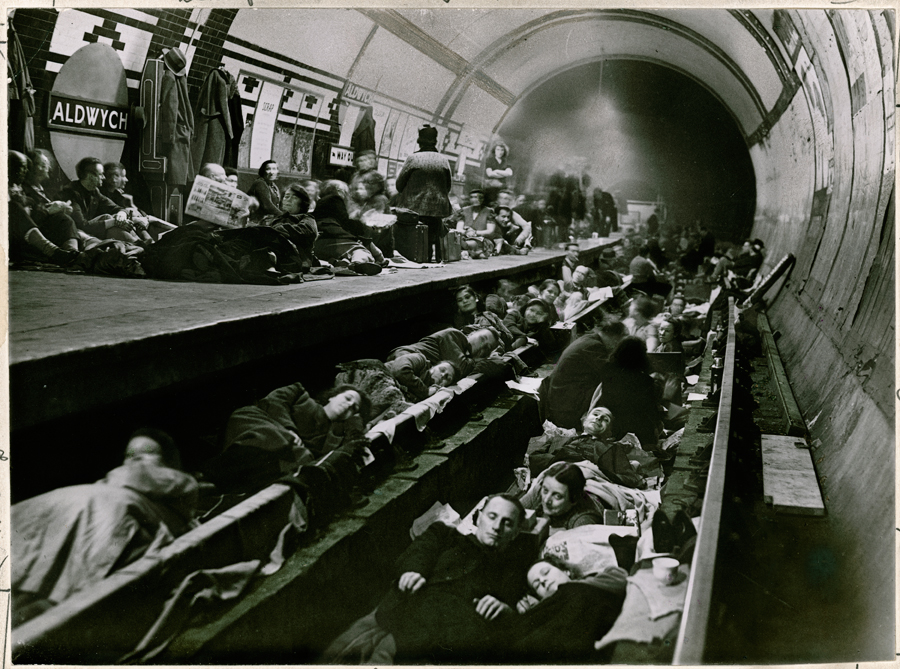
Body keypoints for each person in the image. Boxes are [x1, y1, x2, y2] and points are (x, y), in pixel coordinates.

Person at [12, 428, 199, 626]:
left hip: (97, 511)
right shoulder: (120, 482)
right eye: (130, 456)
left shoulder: (180, 482)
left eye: (148, 454)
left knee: (45, 584)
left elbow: (141, 477)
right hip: (86, 507)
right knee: (42, 578)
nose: (136, 462)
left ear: (171, 461)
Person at [372, 494, 533, 663]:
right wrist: (412, 572)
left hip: (453, 648)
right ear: (478, 518)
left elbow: (512, 611)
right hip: (407, 623)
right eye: (492, 517)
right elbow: (419, 552)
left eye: (507, 523)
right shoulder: (444, 535)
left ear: (515, 533)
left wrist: (505, 610)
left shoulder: (513, 571)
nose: (497, 527)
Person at [202, 381, 372, 494]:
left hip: (280, 452)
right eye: (347, 398)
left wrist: (356, 421)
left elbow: (350, 443)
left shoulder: (333, 436)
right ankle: (210, 475)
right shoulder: (299, 392)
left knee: (296, 460)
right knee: (285, 445)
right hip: (257, 422)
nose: (348, 405)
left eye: (354, 408)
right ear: (333, 395)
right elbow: (274, 401)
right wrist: (289, 430)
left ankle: (212, 481)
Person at [506, 558, 626, 662]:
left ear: (566, 571)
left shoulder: (599, 580)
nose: (542, 581)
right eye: (536, 585)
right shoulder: (543, 610)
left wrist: (573, 586)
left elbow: (621, 577)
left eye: (546, 572)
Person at [540, 318, 627, 430]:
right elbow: (610, 373)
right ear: (612, 336)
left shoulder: (590, 339)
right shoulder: (593, 346)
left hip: (565, 394)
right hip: (566, 402)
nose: (616, 344)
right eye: (617, 340)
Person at [8, 151, 81, 265]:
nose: (26, 171)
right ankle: (52, 251)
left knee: (63, 219)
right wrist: (46, 210)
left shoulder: (19, 189)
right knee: (13, 206)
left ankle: (72, 255)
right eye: (21, 167)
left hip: (30, 234)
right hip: (13, 239)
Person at [394, 124, 453, 263]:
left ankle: (414, 259)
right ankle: (431, 257)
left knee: (411, 238)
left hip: (414, 209)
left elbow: (399, 185)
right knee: (431, 234)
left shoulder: (413, 159)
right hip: (437, 210)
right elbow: (448, 186)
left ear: (419, 141)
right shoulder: (444, 160)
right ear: (435, 141)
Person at [58, 157, 140, 242]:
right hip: (78, 235)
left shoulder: (94, 191)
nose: (104, 177)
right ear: (90, 176)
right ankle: (139, 244)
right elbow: (82, 225)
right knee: (108, 218)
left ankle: (140, 244)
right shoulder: (70, 193)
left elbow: (116, 207)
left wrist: (121, 214)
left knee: (112, 218)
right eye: (100, 174)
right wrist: (114, 222)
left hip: (91, 232)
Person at [598, 336, 662, 446]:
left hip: (613, 426)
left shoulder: (607, 370)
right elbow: (651, 409)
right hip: (638, 431)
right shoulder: (644, 380)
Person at [313, 180, 384, 274]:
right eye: (347, 192)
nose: (349, 196)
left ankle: (339, 263)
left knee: (342, 254)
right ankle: (357, 264)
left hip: (317, 241)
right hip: (333, 237)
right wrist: (362, 228)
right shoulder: (336, 200)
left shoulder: (320, 203)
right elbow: (345, 222)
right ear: (340, 191)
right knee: (359, 251)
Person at [532, 462, 603, 532]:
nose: (546, 500)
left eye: (557, 496)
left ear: (574, 499)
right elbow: (521, 514)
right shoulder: (543, 489)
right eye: (545, 490)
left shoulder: (584, 520)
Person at [445, 189, 496, 258]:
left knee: (468, 244)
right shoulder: (464, 211)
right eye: (472, 197)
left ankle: (466, 251)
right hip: (465, 237)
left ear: (483, 199)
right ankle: (465, 252)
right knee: (456, 241)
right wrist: (466, 232)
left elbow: (490, 231)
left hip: (483, 240)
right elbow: (459, 228)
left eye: (478, 197)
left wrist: (475, 233)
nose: (475, 199)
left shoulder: (489, 212)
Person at [385, 354, 458, 402]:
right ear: (433, 366)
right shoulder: (420, 360)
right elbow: (400, 371)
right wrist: (425, 392)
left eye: (447, 378)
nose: (442, 375)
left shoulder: (432, 393)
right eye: (442, 369)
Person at [483, 140, 513, 206]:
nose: (500, 152)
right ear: (494, 150)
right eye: (498, 149)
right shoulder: (490, 160)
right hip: (491, 188)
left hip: (502, 188)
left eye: (502, 150)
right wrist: (504, 174)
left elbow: (510, 173)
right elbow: (490, 174)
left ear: (504, 151)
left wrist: (496, 171)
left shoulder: (506, 161)